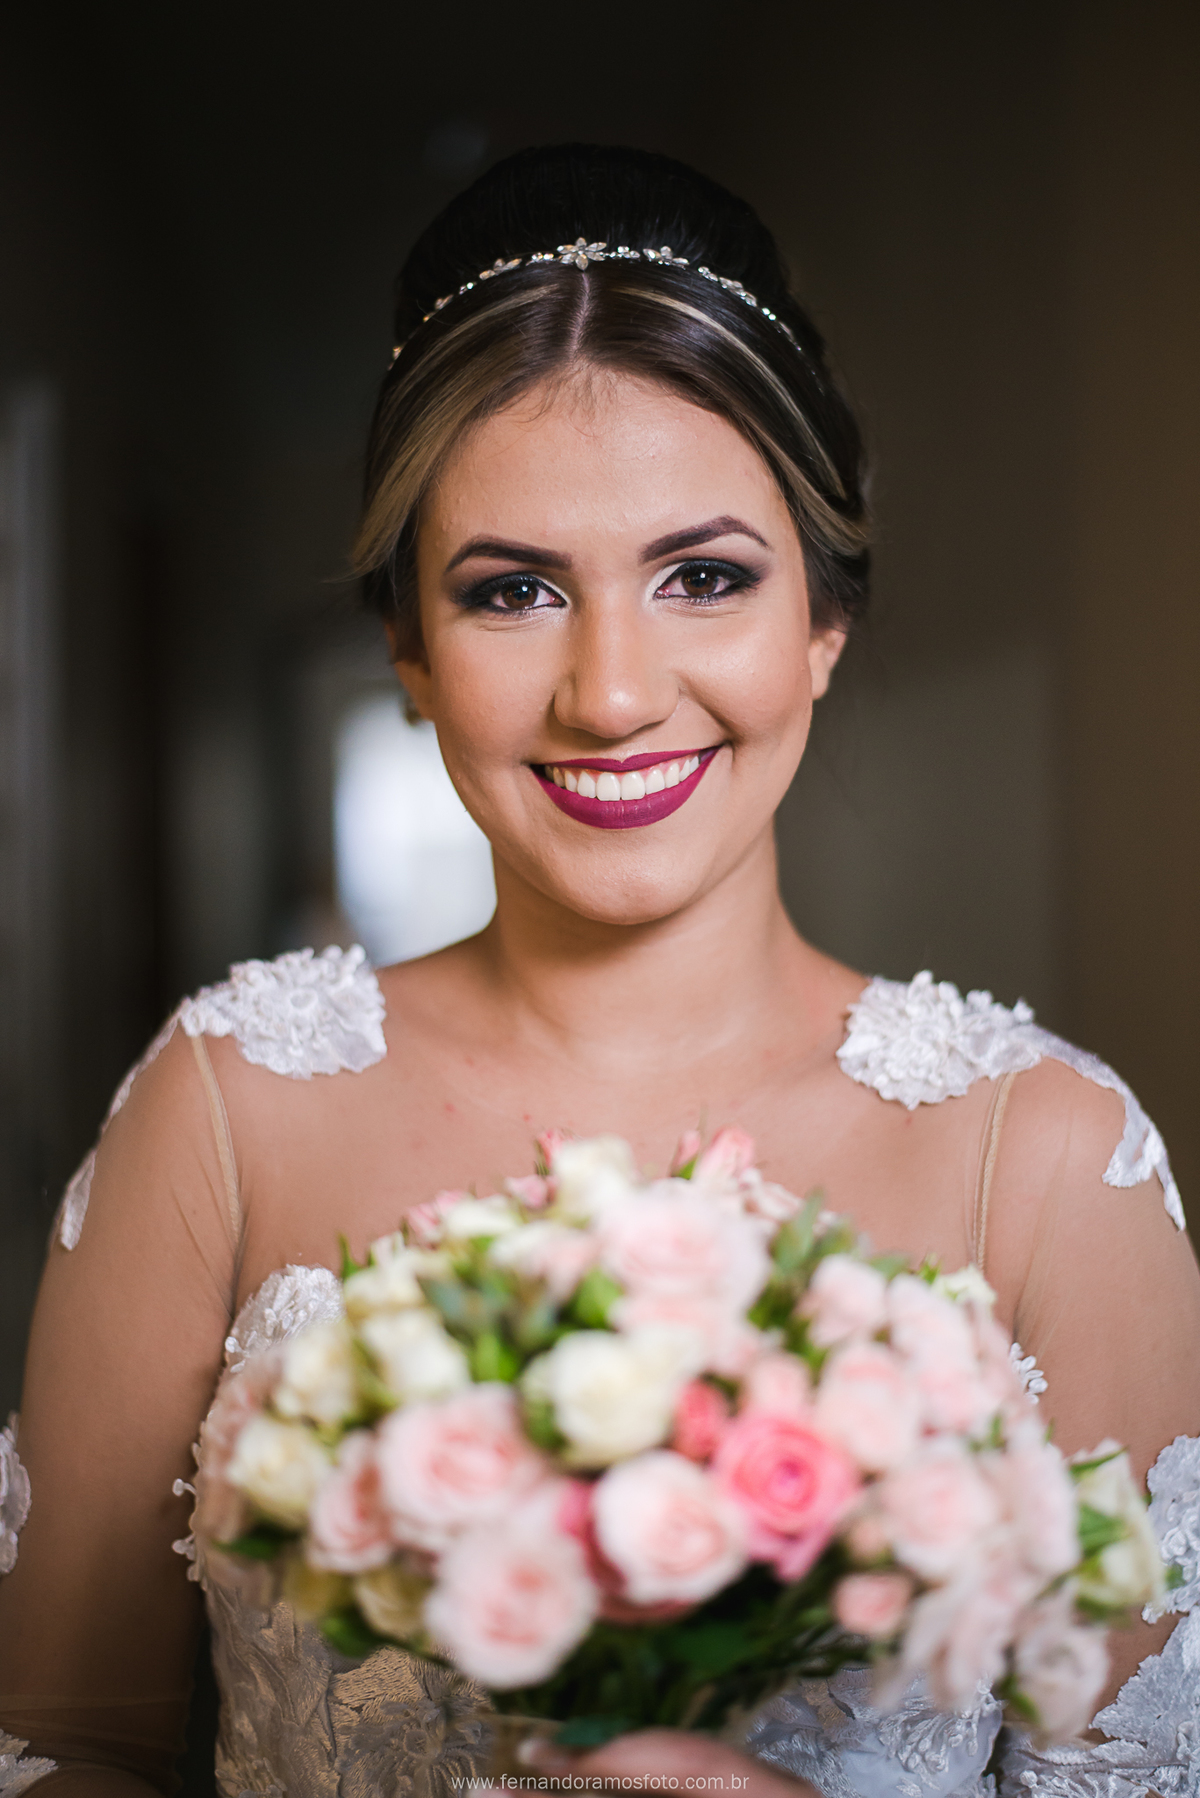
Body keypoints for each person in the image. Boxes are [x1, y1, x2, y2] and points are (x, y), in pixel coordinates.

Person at [1, 144, 1197, 1798]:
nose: (613, 692)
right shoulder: (228, 1106)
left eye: (704, 575)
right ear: (410, 650)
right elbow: (60, 1747)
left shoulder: (1053, 1159)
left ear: (824, 621)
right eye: (513, 592)